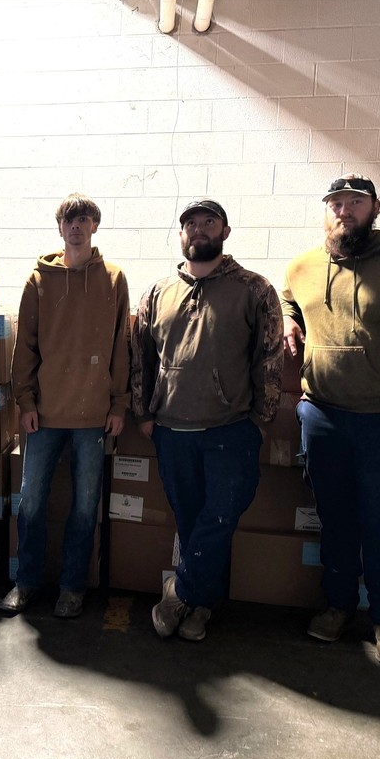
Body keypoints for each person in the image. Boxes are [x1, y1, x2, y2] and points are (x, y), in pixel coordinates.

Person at [281, 174, 380, 669]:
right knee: (335, 520)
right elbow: (290, 297)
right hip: (322, 415)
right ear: (324, 210)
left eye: (355, 202)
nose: (344, 211)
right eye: (335, 203)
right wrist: (289, 317)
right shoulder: (304, 266)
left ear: (374, 209)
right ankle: (338, 607)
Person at [131, 198, 283, 642]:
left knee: (219, 518)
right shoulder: (157, 292)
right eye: (190, 224)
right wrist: (144, 414)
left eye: (209, 222)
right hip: (172, 429)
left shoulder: (254, 289)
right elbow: (140, 357)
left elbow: (269, 357)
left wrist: (261, 419)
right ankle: (202, 607)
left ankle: (179, 591)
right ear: (181, 235)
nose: (199, 229)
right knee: (190, 518)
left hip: (229, 429)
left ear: (225, 232)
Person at [0, 193, 130, 618]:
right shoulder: (40, 279)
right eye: (69, 220)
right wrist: (25, 400)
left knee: (84, 505)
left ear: (95, 226)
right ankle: (27, 582)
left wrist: (119, 405)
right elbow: (26, 348)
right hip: (45, 415)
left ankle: (73, 586)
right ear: (60, 228)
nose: (76, 226)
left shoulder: (113, 278)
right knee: (31, 502)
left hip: (93, 416)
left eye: (84, 219)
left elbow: (121, 347)